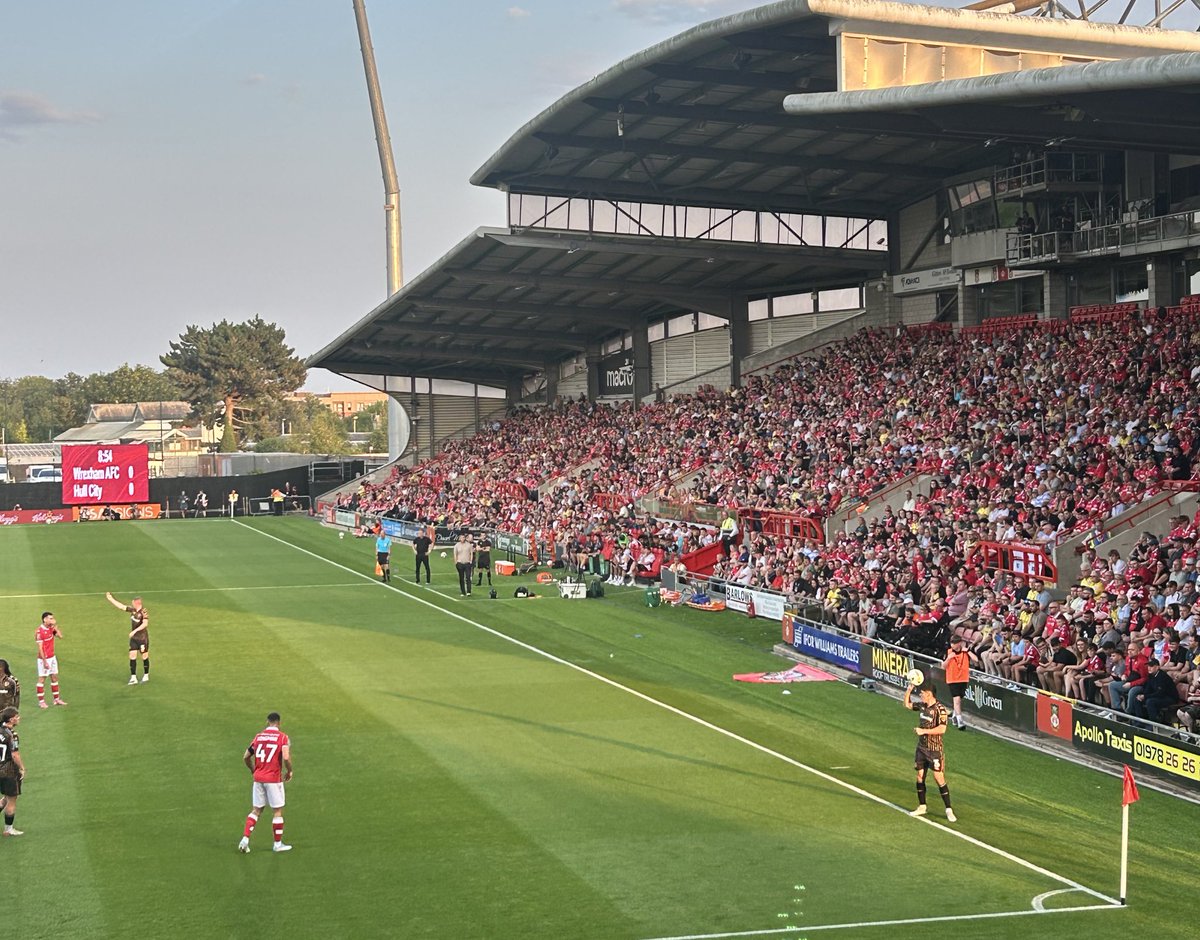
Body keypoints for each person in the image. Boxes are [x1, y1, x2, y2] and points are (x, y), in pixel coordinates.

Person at [237, 711, 293, 854]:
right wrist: (289, 771)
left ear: (267, 722)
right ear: (279, 723)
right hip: (273, 779)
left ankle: (245, 839)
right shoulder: (282, 737)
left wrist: (253, 770)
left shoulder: (258, 737)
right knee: (277, 811)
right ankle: (277, 844)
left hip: (258, 778)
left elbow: (246, 757)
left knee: (256, 810)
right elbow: (286, 757)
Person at [903, 678, 956, 822]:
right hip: (921, 748)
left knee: (939, 778)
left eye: (922, 693)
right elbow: (907, 705)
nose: (920, 696)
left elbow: (942, 729)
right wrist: (908, 690)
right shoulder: (922, 706)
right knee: (920, 776)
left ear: (929, 693)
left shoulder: (941, 710)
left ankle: (949, 809)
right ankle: (922, 806)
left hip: (934, 749)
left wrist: (923, 731)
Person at [105, 592, 150, 685]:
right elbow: (121, 606)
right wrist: (111, 599)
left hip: (142, 638)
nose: (132, 603)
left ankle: (146, 675)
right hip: (134, 639)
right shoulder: (133, 610)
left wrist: (134, 631)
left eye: (133, 602)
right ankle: (133, 677)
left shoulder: (144, 611)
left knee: (144, 656)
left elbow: (145, 624)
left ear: (137, 602)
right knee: (132, 656)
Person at [0, 707, 25, 836]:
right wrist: (22, 768)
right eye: (17, 716)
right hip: (9, 771)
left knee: (5, 798)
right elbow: (15, 755)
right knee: (11, 799)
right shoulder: (12, 735)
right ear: (11, 719)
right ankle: (8, 829)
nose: (19, 718)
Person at [34, 612, 66, 709]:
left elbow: (61, 637)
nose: (52, 620)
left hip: (52, 657)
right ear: (45, 619)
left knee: (54, 677)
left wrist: (56, 628)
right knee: (42, 679)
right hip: (44, 659)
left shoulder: (51, 628)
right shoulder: (39, 632)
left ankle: (56, 700)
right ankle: (41, 702)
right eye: (50, 618)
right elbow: (40, 648)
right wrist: (44, 661)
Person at [943, 637, 971, 729]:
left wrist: (968, 651)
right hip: (952, 679)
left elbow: (976, 659)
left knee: (959, 700)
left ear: (959, 643)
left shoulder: (965, 652)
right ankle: (960, 721)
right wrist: (948, 658)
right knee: (957, 700)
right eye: (951, 643)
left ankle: (955, 716)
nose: (952, 645)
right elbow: (943, 666)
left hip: (963, 679)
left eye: (954, 643)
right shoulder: (948, 652)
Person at [454, 532, 474, 596]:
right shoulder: (457, 545)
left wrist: (471, 561)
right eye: (461, 537)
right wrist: (456, 562)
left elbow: (471, 553)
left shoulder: (469, 545)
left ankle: (468, 591)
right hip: (460, 563)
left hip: (467, 563)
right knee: (461, 578)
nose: (462, 539)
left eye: (463, 537)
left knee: (468, 577)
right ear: (459, 538)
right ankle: (463, 591)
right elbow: (455, 554)